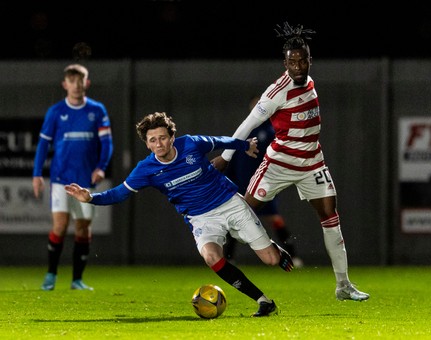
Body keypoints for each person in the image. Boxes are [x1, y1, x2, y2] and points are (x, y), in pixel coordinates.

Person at [65, 111, 294, 317]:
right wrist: (92, 198)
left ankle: (273, 247)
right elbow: (120, 193)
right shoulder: (146, 170)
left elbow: (220, 141)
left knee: (271, 260)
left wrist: (244, 146)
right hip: (200, 217)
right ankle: (264, 301)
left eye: (162, 137)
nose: (159, 144)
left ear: (172, 137)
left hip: (230, 203)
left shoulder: (191, 145)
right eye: (152, 140)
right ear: (147, 144)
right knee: (211, 257)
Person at [211, 23, 369, 302]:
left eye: (302, 60)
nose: (298, 66)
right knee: (243, 214)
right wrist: (225, 156)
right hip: (279, 164)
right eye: (292, 61)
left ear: (310, 60)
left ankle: (343, 286)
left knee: (331, 218)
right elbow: (247, 124)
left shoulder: (309, 82)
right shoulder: (275, 93)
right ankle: (249, 244)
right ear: (284, 63)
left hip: (312, 163)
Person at [32, 64, 113, 291]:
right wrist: (37, 174)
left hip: (87, 181)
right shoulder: (56, 111)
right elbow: (43, 144)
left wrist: (101, 167)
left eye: (80, 81)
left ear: (86, 83)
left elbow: (107, 143)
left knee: (83, 229)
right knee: (59, 225)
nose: (76, 85)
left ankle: (77, 280)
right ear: (65, 84)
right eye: (72, 81)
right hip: (61, 179)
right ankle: (50, 275)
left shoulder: (97, 110)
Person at [223, 95, 303, 268]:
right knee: (237, 218)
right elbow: (233, 154)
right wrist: (229, 177)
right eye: (255, 105)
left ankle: (292, 255)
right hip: (242, 183)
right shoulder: (244, 130)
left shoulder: (273, 130)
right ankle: (228, 258)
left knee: (274, 218)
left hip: (263, 182)